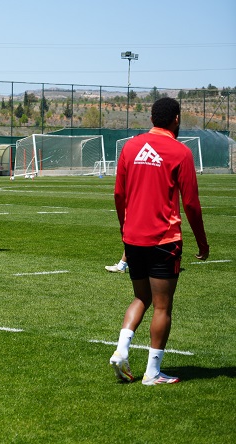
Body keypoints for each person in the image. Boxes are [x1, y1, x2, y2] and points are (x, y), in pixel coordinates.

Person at [108, 98, 209, 386]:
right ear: (176, 119)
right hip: (164, 239)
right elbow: (191, 203)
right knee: (163, 306)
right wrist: (202, 242)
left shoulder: (130, 146)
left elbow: (118, 194)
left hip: (133, 237)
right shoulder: (181, 152)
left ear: (152, 117)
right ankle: (152, 373)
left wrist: (124, 229)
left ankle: (121, 349)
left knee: (142, 297)